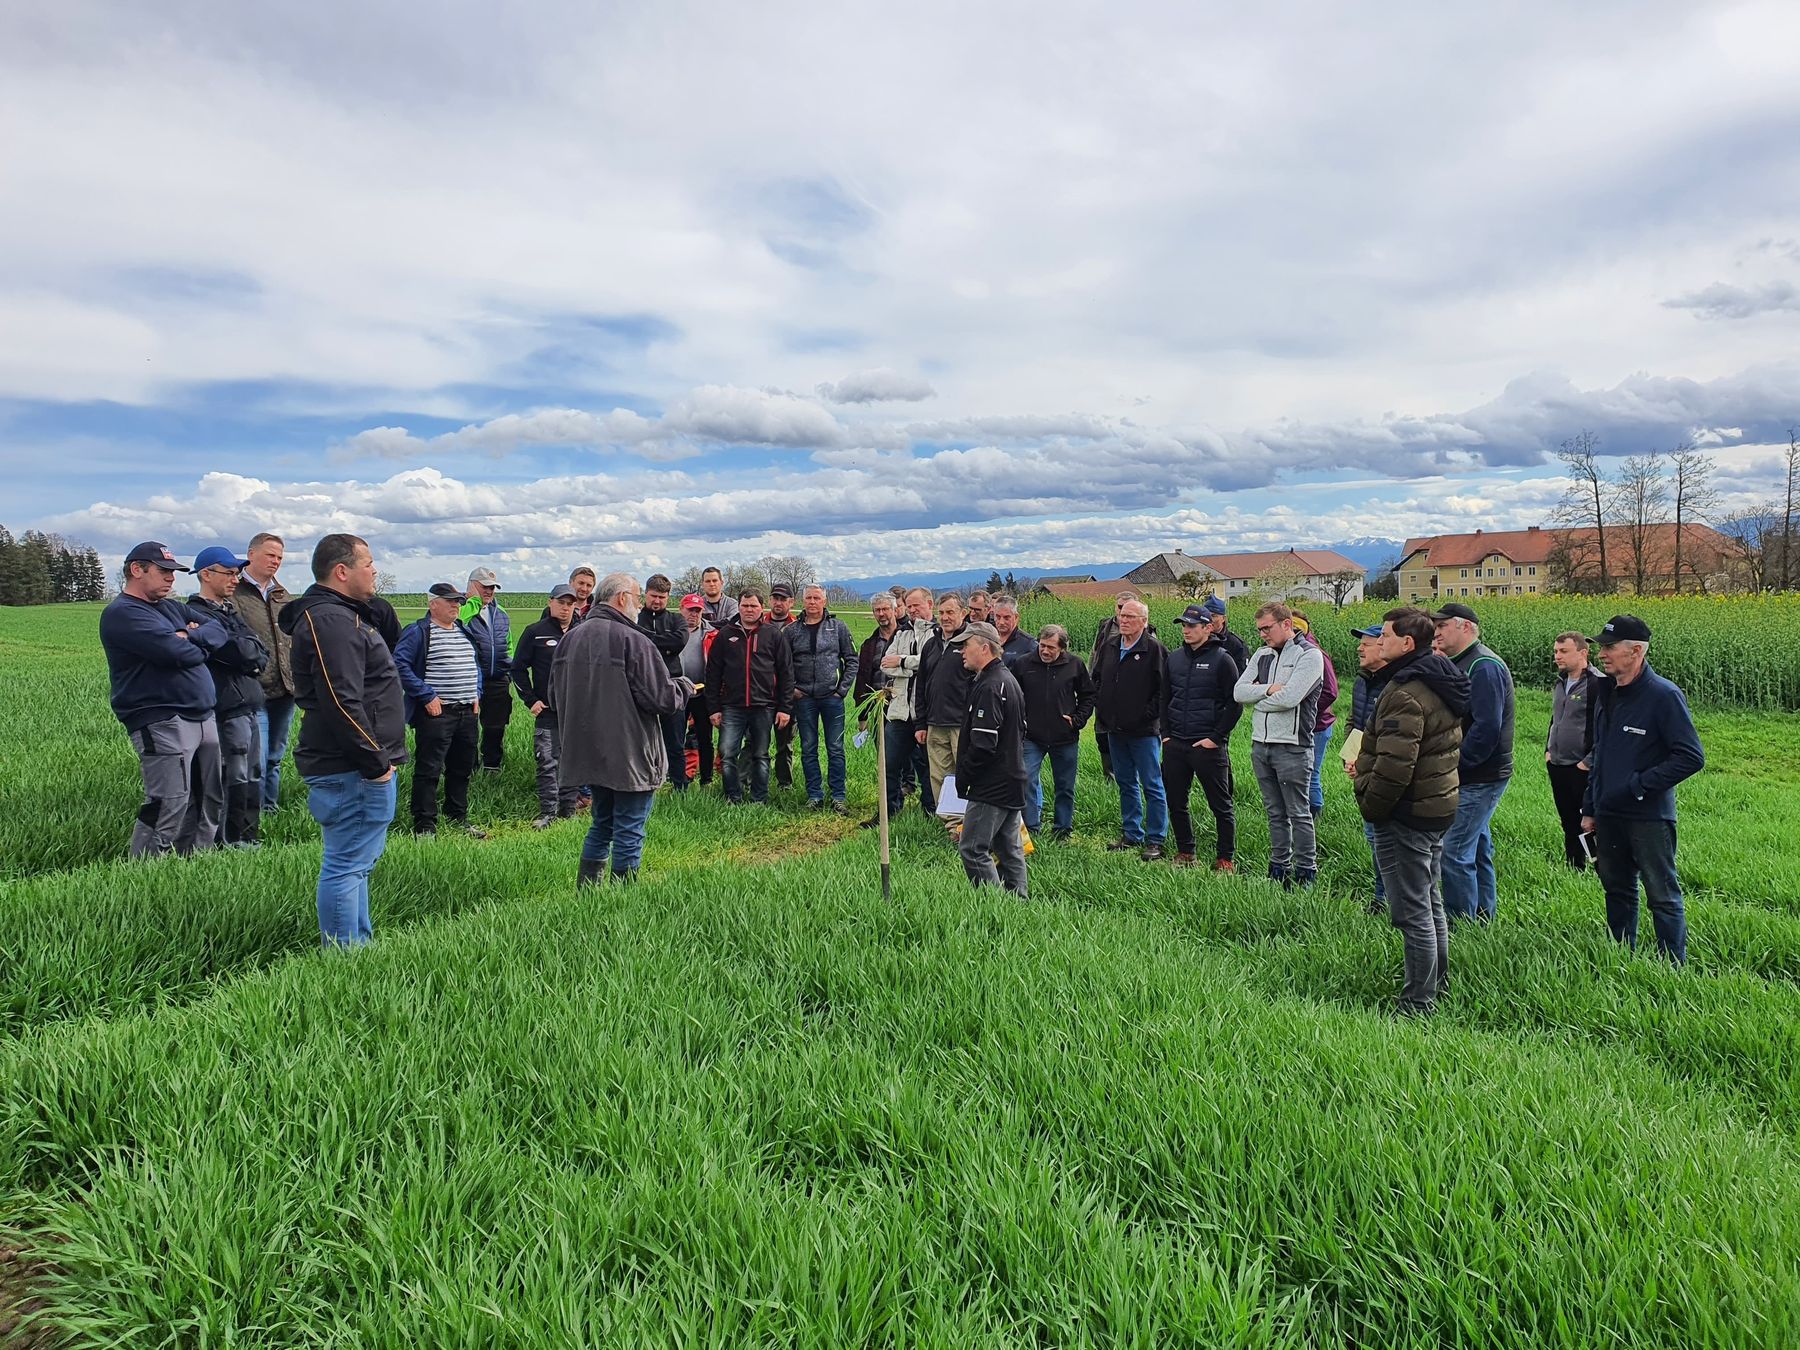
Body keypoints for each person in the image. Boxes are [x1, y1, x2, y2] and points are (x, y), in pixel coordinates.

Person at [278, 533, 406, 947]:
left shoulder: (345, 615)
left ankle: (358, 947)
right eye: (368, 563)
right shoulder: (331, 620)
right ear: (342, 571)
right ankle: (344, 955)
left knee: (357, 864)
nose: (374, 571)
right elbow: (340, 699)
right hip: (349, 767)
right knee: (346, 864)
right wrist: (376, 765)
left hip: (358, 765)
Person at [1353, 607, 1470, 1015]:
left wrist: (1372, 805)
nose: (1377, 642)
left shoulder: (1405, 691)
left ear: (1406, 643)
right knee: (1429, 900)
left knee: (1412, 910)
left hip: (1406, 812)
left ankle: (1418, 1002)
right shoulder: (1437, 678)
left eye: (1384, 635)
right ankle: (1437, 981)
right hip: (1434, 804)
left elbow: (1395, 765)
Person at [552, 572, 696, 883]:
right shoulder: (634, 640)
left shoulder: (570, 638)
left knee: (601, 823)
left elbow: (554, 694)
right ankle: (623, 898)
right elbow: (661, 698)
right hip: (629, 752)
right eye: (637, 596)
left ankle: (588, 892)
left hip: (587, 750)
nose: (640, 603)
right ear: (621, 599)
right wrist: (683, 687)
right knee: (630, 826)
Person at [1581, 615, 1705, 962]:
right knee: (1616, 890)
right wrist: (1590, 808)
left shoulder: (1663, 696)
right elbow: (1600, 754)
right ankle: (1621, 955)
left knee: (1661, 894)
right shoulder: (1607, 691)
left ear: (1635, 651)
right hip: (1608, 814)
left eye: (1608, 647)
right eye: (1600, 647)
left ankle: (1671, 964)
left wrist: (1638, 786)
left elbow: (1691, 757)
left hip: (1648, 816)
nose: (1601, 654)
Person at [99, 542, 228, 858]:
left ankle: (193, 862)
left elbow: (220, 629)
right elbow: (177, 654)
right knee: (169, 800)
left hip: (201, 714)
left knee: (207, 796)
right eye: (164, 571)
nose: (172, 579)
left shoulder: (169, 608)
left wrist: (190, 636)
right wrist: (189, 641)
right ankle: (144, 871)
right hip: (161, 718)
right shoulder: (123, 614)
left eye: (174, 572)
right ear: (137, 570)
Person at [1430, 603, 1515, 922]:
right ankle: (1482, 916)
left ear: (1466, 627)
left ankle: (1458, 921)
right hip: (1468, 771)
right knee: (1476, 848)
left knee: (1453, 850)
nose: (1436, 632)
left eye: (1443, 625)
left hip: (1480, 774)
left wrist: (1455, 765)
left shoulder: (1483, 665)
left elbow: (1486, 727)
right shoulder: (1459, 661)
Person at [1234, 602, 1325, 887]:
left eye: (1267, 628)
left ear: (1287, 624)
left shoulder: (1309, 656)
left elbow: (1291, 698)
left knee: (1298, 812)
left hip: (1293, 746)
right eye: (1259, 629)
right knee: (1274, 812)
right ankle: (1278, 867)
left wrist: (1258, 702)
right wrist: (1267, 690)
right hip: (1261, 744)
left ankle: (1306, 871)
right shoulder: (1262, 655)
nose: (1262, 634)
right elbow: (1238, 692)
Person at [187, 546, 271, 847]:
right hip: (226, 707)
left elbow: (260, 651)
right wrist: (246, 650)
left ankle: (249, 838)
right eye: (229, 573)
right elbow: (239, 651)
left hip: (248, 703)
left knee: (252, 776)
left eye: (237, 573)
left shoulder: (229, 611)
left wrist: (245, 649)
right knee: (230, 778)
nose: (235, 579)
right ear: (205, 574)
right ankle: (227, 842)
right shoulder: (195, 612)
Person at [394, 583, 486, 838]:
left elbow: (475, 664)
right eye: (449, 601)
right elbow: (399, 665)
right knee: (429, 769)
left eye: (458, 601)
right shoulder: (419, 632)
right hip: (437, 713)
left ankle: (458, 818)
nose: (456, 605)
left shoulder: (462, 631)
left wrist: (476, 693)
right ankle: (425, 825)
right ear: (433, 603)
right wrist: (426, 695)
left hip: (467, 712)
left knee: (461, 767)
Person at [1160, 602, 1241, 869]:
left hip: (1206, 745)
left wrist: (1216, 738)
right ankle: (1186, 852)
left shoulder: (1222, 659)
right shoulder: (1174, 658)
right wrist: (1166, 734)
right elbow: (1164, 698)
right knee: (1176, 801)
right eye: (1183, 625)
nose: (1186, 630)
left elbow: (1234, 703)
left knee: (1221, 805)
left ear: (1208, 628)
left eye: (1192, 626)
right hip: (1176, 744)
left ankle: (1225, 858)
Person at [955, 621, 1029, 897]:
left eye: (966, 645)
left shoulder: (991, 685)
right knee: (1009, 848)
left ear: (984, 648)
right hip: (1012, 778)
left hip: (992, 784)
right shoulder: (1006, 679)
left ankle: (994, 906)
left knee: (973, 848)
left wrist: (964, 775)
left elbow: (984, 745)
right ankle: (1018, 903)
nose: (962, 651)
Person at [1093, 598, 1169, 860]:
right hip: (1115, 729)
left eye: (1130, 617)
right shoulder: (1111, 646)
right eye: (1122, 616)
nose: (1123, 621)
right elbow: (1098, 679)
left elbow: (1163, 691)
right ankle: (1131, 833)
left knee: (1152, 784)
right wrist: (1103, 710)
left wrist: (1144, 716)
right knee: (1125, 782)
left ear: (1144, 622)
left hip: (1144, 731)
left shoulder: (1154, 649)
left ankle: (1156, 838)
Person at [705, 590, 795, 805]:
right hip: (732, 706)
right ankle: (732, 796)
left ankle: (758, 799)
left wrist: (785, 708)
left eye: (753, 606)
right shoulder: (726, 635)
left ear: (761, 609)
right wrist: (713, 708)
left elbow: (786, 672)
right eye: (745, 606)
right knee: (727, 753)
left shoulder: (773, 635)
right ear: (739, 607)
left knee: (760, 754)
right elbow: (713, 674)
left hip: (763, 706)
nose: (748, 610)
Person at [1016, 623, 1094, 840]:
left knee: (1065, 786)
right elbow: (1013, 695)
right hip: (1031, 736)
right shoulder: (1024, 664)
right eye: (1042, 645)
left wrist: (1077, 720)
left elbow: (1088, 695)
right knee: (1026, 779)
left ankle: (1063, 830)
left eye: (1051, 647)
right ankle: (1031, 827)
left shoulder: (1075, 665)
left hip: (1065, 737)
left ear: (1062, 648)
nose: (1045, 651)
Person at [513, 584, 582, 827]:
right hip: (547, 710)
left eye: (570, 603)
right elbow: (517, 669)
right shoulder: (535, 632)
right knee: (547, 761)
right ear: (550, 602)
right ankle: (548, 813)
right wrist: (531, 700)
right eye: (561, 602)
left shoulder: (580, 632)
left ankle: (569, 811)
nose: (565, 608)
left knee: (573, 760)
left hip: (575, 711)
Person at [784, 584, 857, 812]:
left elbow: (852, 660)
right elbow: (782, 666)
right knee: (808, 747)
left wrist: (841, 690)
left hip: (832, 698)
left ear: (824, 601)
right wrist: (793, 689)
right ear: (802, 601)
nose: (812, 602)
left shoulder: (838, 628)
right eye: (809, 598)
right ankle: (814, 795)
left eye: (817, 598)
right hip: (804, 698)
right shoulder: (791, 631)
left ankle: (838, 796)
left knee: (835, 748)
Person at [236, 531, 294, 811]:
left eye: (280, 557)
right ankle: (252, 814)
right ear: (251, 555)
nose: (275, 562)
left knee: (275, 754)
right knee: (255, 757)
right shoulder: (234, 592)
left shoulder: (283, 595)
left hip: (285, 688)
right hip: (252, 688)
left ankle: (269, 809)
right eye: (270, 555)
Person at [1343, 622, 1392, 912]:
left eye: (1366, 643)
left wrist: (1365, 762)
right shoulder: (1363, 680)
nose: (1359, 648)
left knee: (1385, 836)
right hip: (1363, 767)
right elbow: (1355, 721)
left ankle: (1389, 898)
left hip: (1384, 768)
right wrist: (1350, 756)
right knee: (1373, 836)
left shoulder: (1395, 683)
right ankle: (1381, 896)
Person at [1546, 630, 1605, 870]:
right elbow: (1556, 719)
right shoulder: (1560, 682)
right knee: (1568, 820)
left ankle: (1599, 866)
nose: (1557, 657)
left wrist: (1588, 761)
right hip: (1557, 763)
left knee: (1587, 822)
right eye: (1556, 652)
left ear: (1583, 652)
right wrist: (1547, 751)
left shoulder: (1598, 684)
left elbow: (1605, 727)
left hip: (1581, 767)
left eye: (1563, 652)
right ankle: (1574, 865)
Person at [877, 587, 937, 820]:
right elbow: (884, 664)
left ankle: (931, 812)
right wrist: (914, 667)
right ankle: (888, 811)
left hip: (927, 712)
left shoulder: (938, 633)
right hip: (900, 711)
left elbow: (933, 664)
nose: (912, 610)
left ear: (929, 604)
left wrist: (902, 661)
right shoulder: (902, 633)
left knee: (928, 767)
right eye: (909, 606)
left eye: (917, 605)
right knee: (889, 764)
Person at [916, 592, 974, 814]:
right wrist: (920, 723)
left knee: (965, 775)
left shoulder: (970, 643)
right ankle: (951, 824)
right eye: (941, 613)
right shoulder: (931, 645)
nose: (945, 617)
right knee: (939, 776)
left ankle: (968, 822)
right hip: (934, 722)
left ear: (963, 613)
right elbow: (921, 685)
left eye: (950, 612)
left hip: (962, 723)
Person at [636, 574, 692, 791]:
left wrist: (645, 640)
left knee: (675, 742)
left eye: (662, 597)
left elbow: (678, 642)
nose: (657, 601)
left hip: (671, 686)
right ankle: (643, 785)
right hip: (641, 688)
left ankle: (680, 787)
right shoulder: (635, 618)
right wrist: (662, 644)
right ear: (645, 593)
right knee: (641, 742)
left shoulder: (676, 620)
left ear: (668, 597)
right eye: (653, 596)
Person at [1090, 591, 1153, 781]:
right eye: (1120, 610)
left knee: (1149, 777)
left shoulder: (1151, 640)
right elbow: (1095, 655)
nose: (1122, 617)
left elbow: (1159, 683)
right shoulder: (1105, 628)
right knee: (1103, 736)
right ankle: (1109, 775)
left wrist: (1147, 711)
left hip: (1138, 712)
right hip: (1108, 700)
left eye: (1128, 614)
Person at [460, 567, 511, 771]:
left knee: (495, 725)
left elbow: (508, 643)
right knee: (468, 726)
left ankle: (492, 765)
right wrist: (473, 602)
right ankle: (469, 767)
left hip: (497, 677)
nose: (489, 592)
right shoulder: (462, 608)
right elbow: (456, 623)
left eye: (492, 588)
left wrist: (508, 666)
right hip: (471, 678)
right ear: (472, 586)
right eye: (484, 587)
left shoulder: (501, 613)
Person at [1290, 611, 1340, 818]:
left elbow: (1331, 691)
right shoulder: (1289, 652)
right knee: (1299, 774)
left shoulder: (1315, 653)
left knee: (1310, 775)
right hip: (1298, 724)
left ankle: (1315, 818)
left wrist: (1306, 711)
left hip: (1317, 725)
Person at [678, 593, 714, 787]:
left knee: (704, 738)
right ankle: (678, 779)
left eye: (697, 611)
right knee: (675, 738)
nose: (693, 614)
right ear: (681, 609)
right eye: (690, 609)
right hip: (678, 693)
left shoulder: (711, 633)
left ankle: (706, 779)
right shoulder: (672, 631)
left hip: (702, 693)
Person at [765, 584, 798, 789]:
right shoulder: (759, 623)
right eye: (775, 598)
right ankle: (753, 780)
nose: (778, 602)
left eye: (783, 599)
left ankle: (784, 783)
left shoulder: (797, 626)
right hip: (762, 693)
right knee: (755, 741)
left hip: (787, 693)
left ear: (791, 602)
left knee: (785, 742)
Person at [1204, 594, 1250, 670]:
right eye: (1206, 616)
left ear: (1223, 619)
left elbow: (1243, 673)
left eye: (1213, 616)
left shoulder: (1235, 644)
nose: (1209, 620)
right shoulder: (1198, 640)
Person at [990, 594, 1035, 667]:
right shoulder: (989, 639)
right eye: (998, 617)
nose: (1001, 622)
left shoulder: (1029, 644)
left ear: (1016, 617)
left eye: (1006, 618)